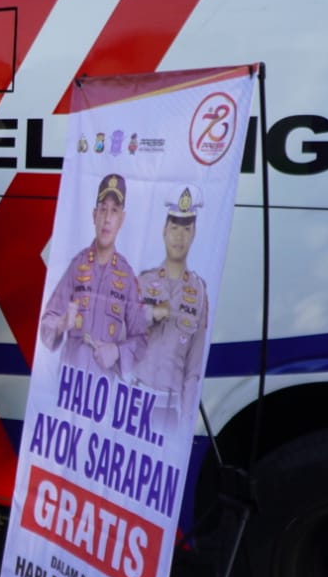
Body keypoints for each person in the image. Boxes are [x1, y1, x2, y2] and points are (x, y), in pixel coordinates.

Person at [38, 173, 148, 379]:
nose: (107, 218)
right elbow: (47, 322)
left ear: (122, 219)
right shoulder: (77, 265)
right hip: (70, 384)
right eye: (103, 209)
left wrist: (117, 351)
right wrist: (61, 324)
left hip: (103, 394)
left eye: (114, 211)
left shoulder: (126, 275)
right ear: (94, 215)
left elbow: (142, 339)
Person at [134, 187, 209, 435]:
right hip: (134, 398)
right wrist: (151, 314)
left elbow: (193, 369)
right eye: (175, 228)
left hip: (168, 409)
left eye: (186, 229)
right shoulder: (144, 281)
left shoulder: (198, 292)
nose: (179, 237)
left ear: (194, 234)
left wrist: (186, 424)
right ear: (164, 230)